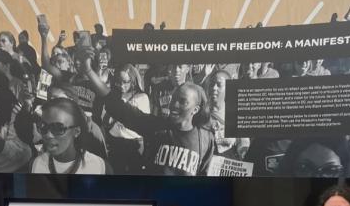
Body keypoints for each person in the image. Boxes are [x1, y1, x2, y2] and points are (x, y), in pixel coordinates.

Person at [84, 57, 214, 176]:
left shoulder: (205, 139)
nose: (174, 105)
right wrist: (89, 71)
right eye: (173, 99)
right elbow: (120, 109)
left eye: (182, 101)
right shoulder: (158, 127)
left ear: (195, 109)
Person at [28, 97, 107, 174]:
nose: (48, 135)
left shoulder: (99, 168)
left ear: (76, 131)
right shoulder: (35, 165)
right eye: (43, 127)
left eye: (58, 128)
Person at [103, 63, 151, 174]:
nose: (121, 85)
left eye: (125, 82)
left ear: (133, 81)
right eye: (118, 82)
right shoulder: (114, 96)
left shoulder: (141, 97)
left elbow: (141, 124)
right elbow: (105, 118)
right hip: (115, 143)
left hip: (133, 144)